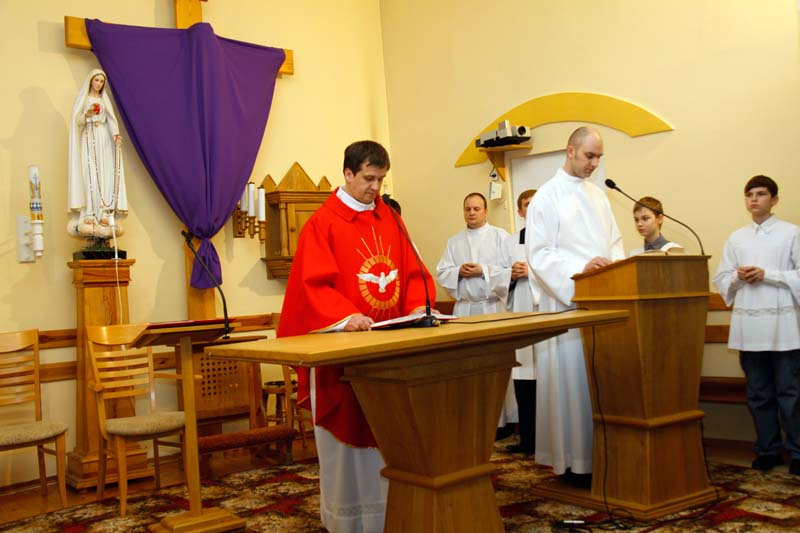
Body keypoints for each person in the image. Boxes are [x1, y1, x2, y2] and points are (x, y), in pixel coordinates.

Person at [278, 140, 436, 532]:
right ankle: (350, 525)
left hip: (387, 352)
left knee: (390, 437)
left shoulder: (391, 219)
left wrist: (417, 307)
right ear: (348, 174)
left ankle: (393, 518)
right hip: (342, 356)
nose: (375, 188)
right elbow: (311, 286)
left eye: (381, 179)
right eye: (368, 178)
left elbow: (413, 272)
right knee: (349, 449)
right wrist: (344, 316)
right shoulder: (322, 223)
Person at [525, 126, 624, 488]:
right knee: (572, 385)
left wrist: (613, 270)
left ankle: (604, 457)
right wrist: (581, 271)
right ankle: (574, 462)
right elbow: (539, 254)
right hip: (567, 304)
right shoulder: (546, 197)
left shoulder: (598, 195)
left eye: (599, 157)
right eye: (589, 156)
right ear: (570, 151)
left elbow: (615, 242)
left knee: (598, 384)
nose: (594, 164)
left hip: (602, 302)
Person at [713, 175, 800, 475]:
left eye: (761, 194)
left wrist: (768, 275)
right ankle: (768, 450)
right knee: (759, 393)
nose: (754, 199)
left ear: (774, 199)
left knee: (790, 393)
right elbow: (721, 279)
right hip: (749, 330)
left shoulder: (792, 233)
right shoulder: (737, 238)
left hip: (784, 330)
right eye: (749, 194)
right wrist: (738, 277)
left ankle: (797, 452)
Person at [436, 192, 516, 437]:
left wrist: (483, 270)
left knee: (495, 364)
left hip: (491, 308)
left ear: (485, 211)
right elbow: (442, 272)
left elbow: (511, 270)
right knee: (468, 365)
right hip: (465, 310)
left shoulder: (500, 237)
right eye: (467, 208)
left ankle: (501, 421)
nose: (471, 213)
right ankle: (472, 421)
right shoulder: (454, 241)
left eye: (476, 208)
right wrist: (458, 272)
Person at [67, 68, 127, 240]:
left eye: (101, 81)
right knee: (90, 174)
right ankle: (89, 213)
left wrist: (115, 135)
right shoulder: (83, 99)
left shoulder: (104, 100)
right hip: (88, 138)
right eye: (96, 80)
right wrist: (87, 115)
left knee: (104, 175)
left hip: (103, 140)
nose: (99, 84)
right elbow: (76, 121)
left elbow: (111, 120)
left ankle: (103, 213)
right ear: (90, 81)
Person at [501, 189, 539, 454]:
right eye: (526, 205)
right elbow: (498, 275)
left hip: (545, 310)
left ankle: (550, 440)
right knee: (524, 376)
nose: (531, 208)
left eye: (535, 204)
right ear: (520, 211)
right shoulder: (511, 241)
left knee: (547, 379)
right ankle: (527, 438)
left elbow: (561, 272)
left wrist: (532, 272)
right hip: (521, 310)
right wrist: (511, 276)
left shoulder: (553, 237)